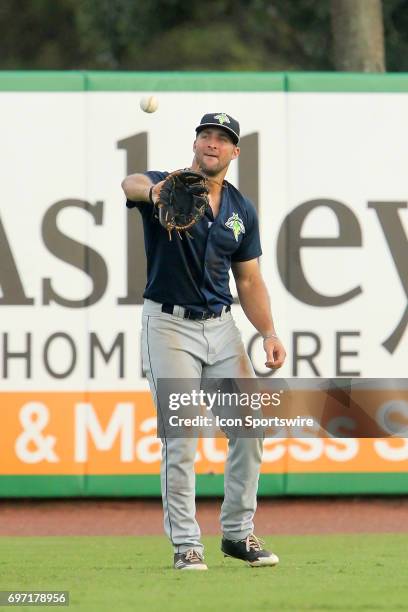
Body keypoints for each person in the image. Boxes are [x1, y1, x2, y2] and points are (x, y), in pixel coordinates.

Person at [121, 112, 286, 570]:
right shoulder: (166, 185)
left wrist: (268, 332)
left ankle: (237, 533)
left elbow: (249, 280)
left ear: (235, 152)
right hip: (169, 325)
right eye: (206, 135)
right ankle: (186, 544)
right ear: (195, 144)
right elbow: (130, 183)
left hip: (221, 327)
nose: (212, 143)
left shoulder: (240, 210)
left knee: (250, 427)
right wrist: (153, 193)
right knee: (181, 433)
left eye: (222, 139)